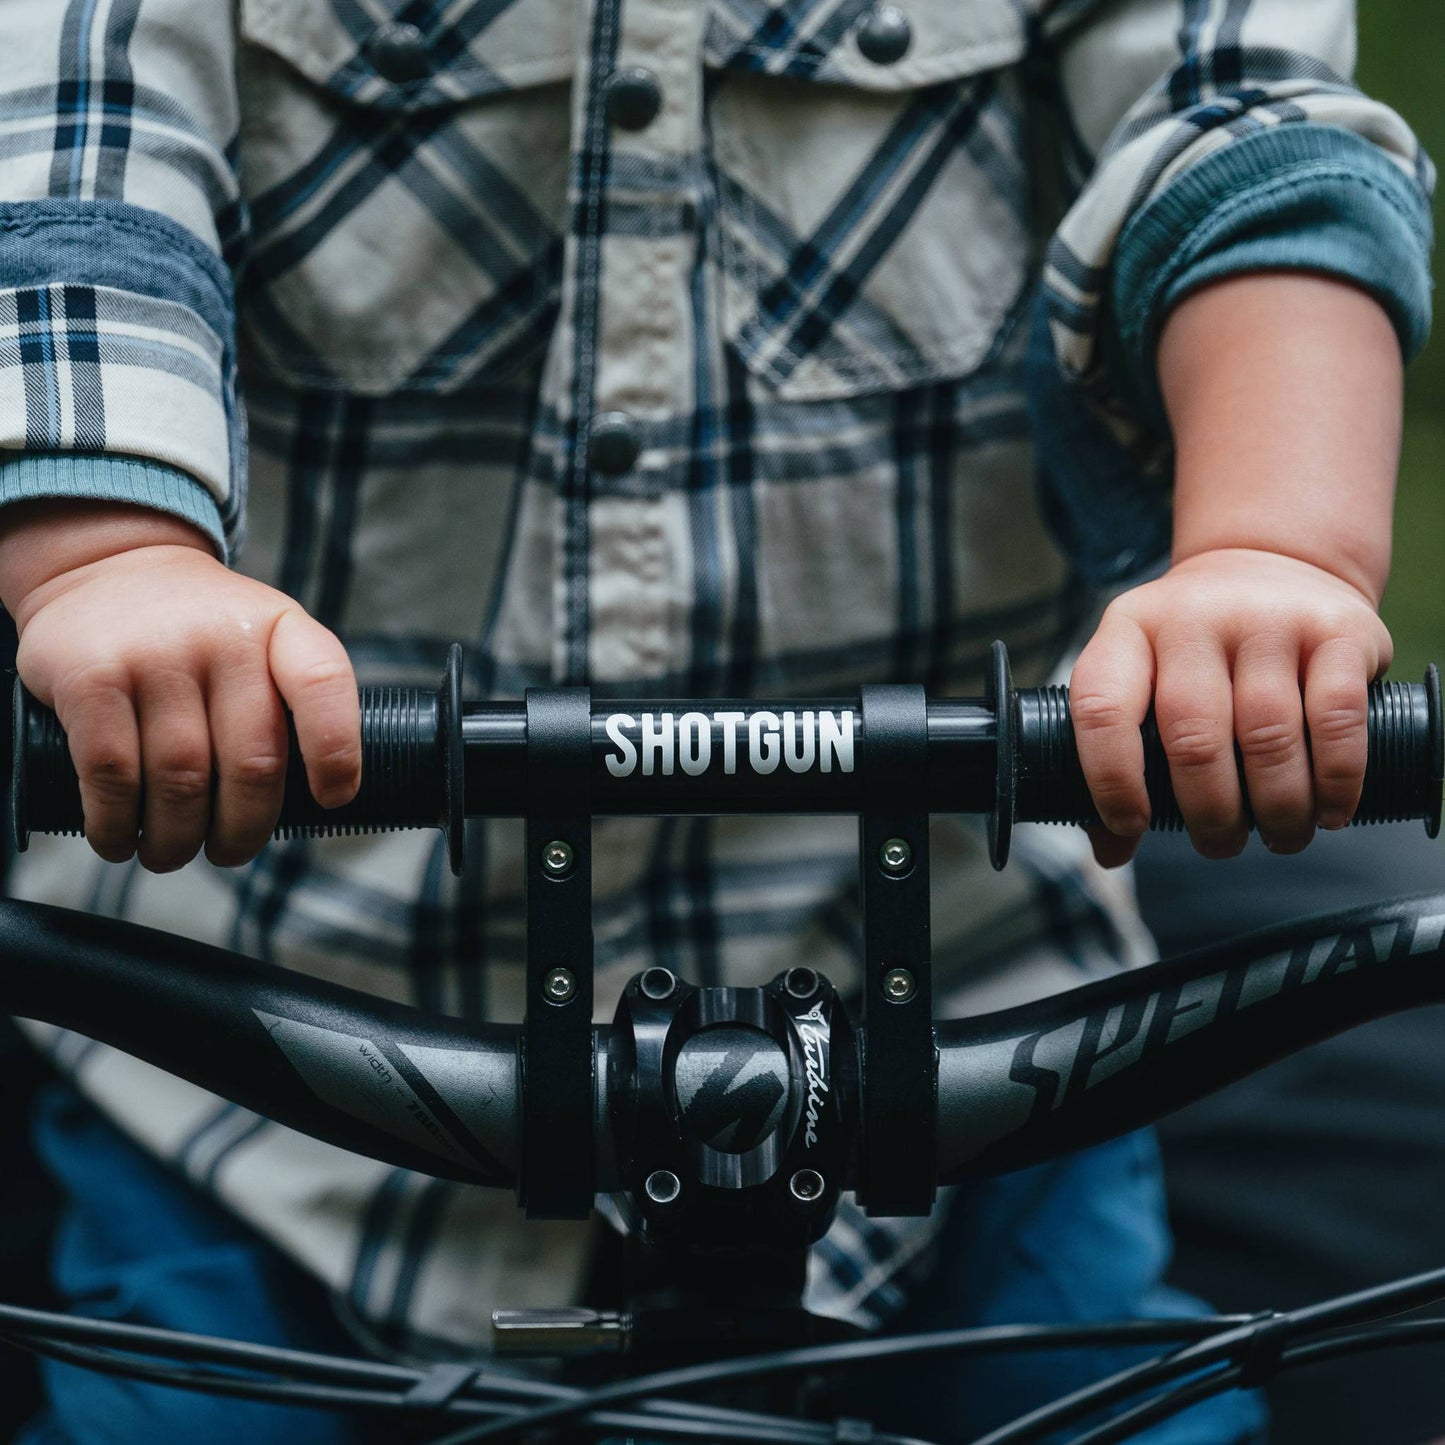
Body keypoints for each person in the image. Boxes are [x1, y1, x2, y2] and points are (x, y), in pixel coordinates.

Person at [0, 1, 1431, 1441]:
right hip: (278, 1053)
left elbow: (1235, 119)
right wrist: (118, 557)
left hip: (967, 1016)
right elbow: (77, 154)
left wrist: (1268, 547)